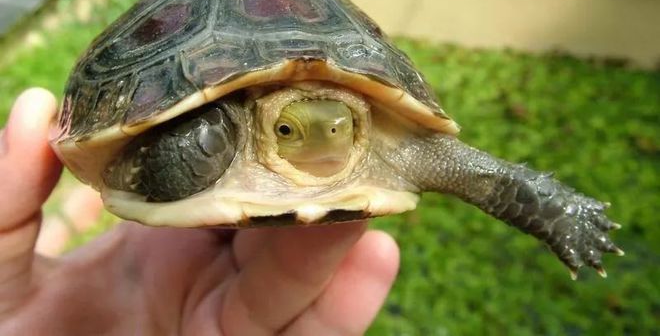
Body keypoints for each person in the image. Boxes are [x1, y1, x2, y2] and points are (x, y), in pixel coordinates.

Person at [0, 88, 400, 335]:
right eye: (286, 129)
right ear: (264, 126)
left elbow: (436, 151)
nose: (330, 138)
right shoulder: (218, 132)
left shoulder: (384, 143)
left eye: (343, 126)